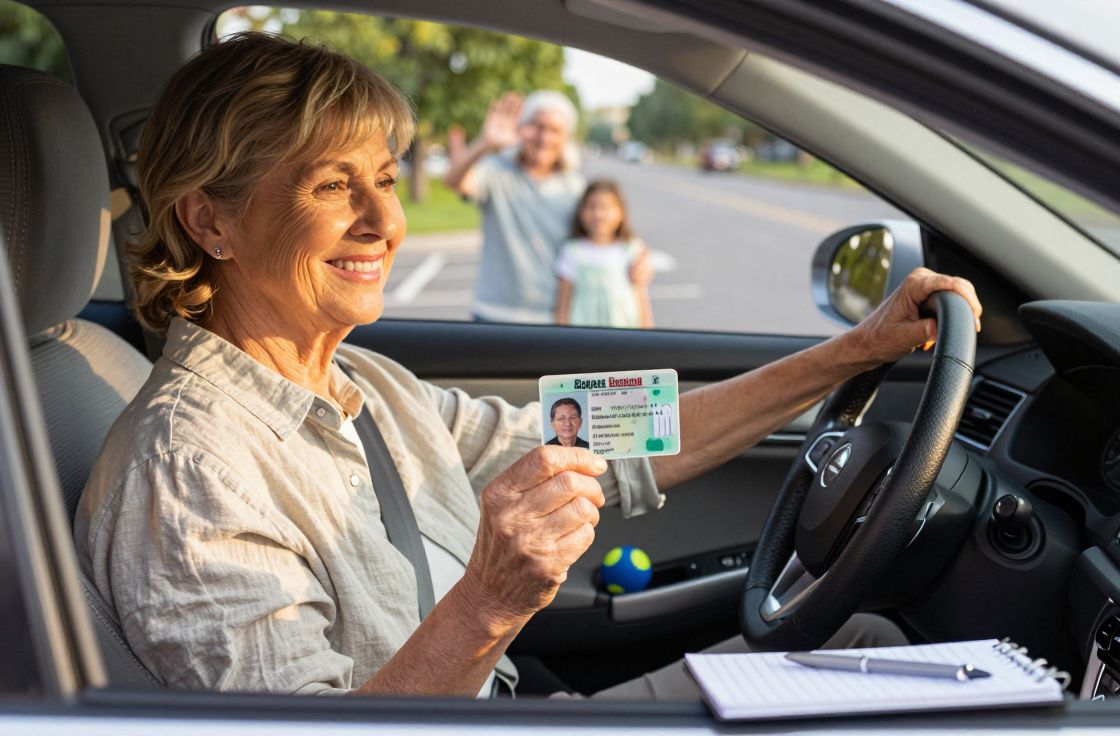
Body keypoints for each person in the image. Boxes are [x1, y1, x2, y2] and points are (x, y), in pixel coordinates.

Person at [75, 33, 983, 700]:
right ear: (210, 222)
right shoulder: (187, 472)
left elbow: (631, 435)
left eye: (385, 179)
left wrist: (854, 351)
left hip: (515, 706)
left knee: (875, 652)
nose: (384, 224)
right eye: (328, 185)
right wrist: (489, 603)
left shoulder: (369, 386)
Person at [443, 91, 651, 323]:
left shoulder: (574, 188)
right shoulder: (496, 172)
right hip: (493, 314)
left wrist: (638, 261)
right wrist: (485, 144)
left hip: (551, 318)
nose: (544, 138)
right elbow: (453, 181)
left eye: (555, 131)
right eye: (538, 126)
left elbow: (602, 238)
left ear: (566, 139)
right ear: (523, 128)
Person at [554, 180, 653, 328]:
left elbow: (641, 298)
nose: (598, 214)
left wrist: (647, 332)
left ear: (621, 212)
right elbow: (563, 302)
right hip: (583, 332)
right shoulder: (573, 250)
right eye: (591, 207)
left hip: (624, 331)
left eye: (606, 207)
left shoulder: (631, 248)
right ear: (580, 211)